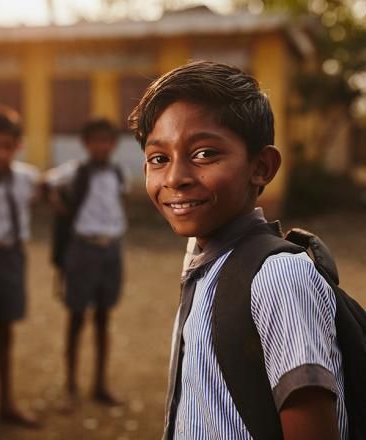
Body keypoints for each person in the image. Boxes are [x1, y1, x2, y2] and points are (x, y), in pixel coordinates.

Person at [129, 61, 348, 440]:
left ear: (261, 166)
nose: (175, 177)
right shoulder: (202, 261)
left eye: (204, 154)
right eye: (158, 159)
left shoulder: (279, 277)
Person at [45, 117, 128, 410]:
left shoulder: (118, 173)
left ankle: (100, 384)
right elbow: (47, 182)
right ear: (86, 144)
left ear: (113, 144)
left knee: (104, 317)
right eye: (96, 140)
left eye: (107, 140)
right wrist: (61, 209)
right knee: (76, 317)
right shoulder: (75, 172)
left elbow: (117, 203)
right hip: (82, 249)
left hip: (111, 250)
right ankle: (70, 386)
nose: (101, 146)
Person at [0, 105, 41, 428]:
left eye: (8, 147)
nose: (0, 154)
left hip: (11, 259)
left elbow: (48, 188)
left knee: (6, 330)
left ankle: (6, 402)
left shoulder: (26, 178)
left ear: (17, 146)